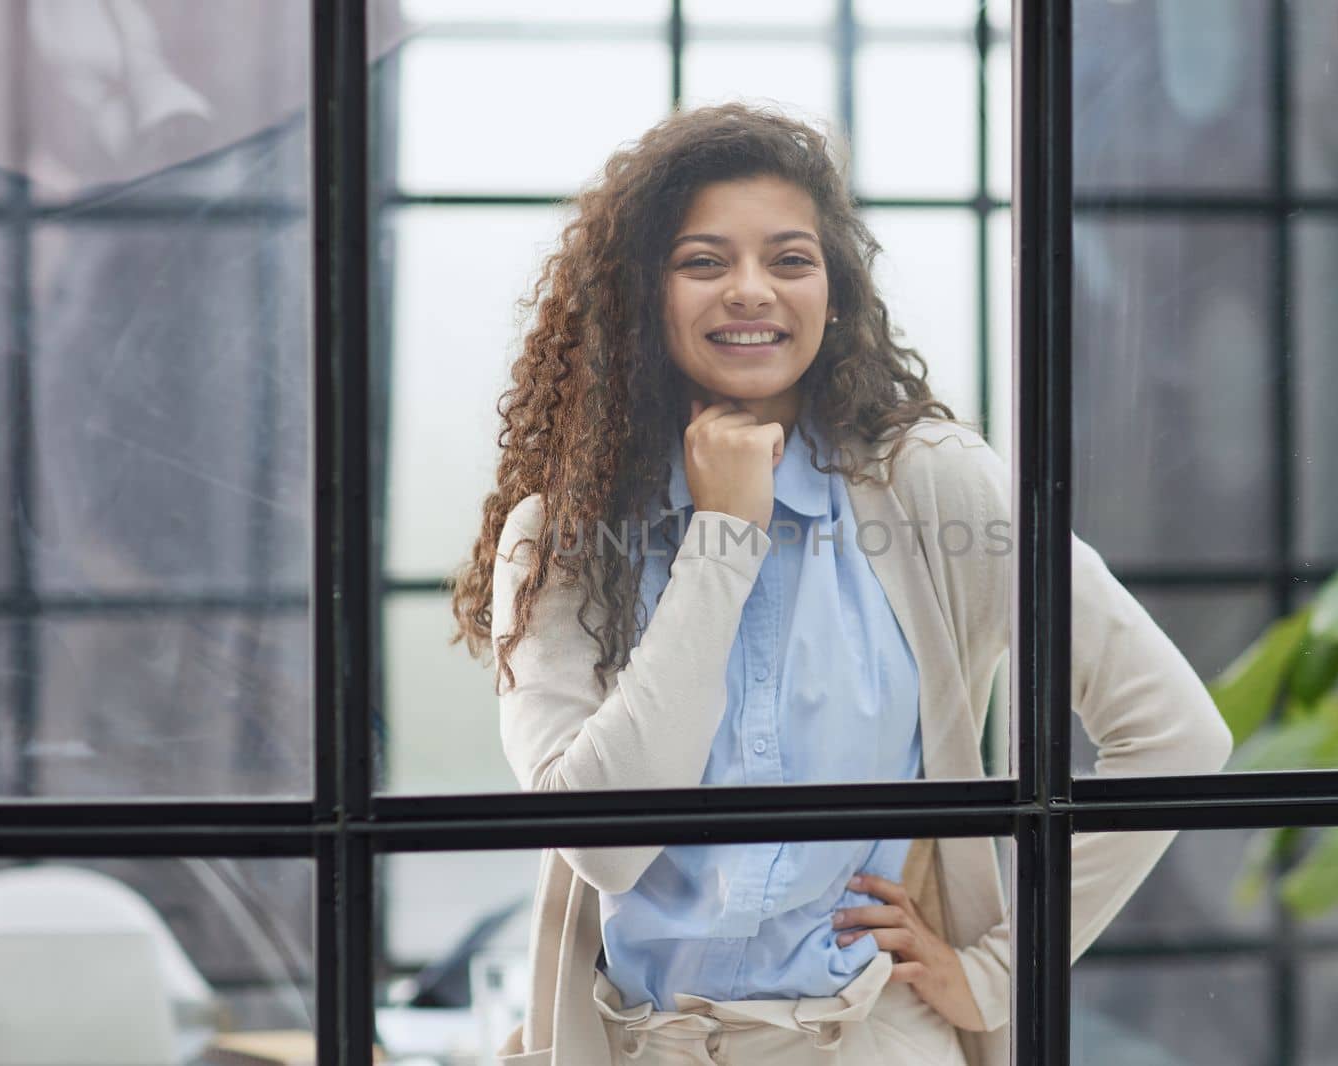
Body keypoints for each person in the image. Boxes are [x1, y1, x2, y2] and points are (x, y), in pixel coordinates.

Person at [448, 102, 1234, 1066]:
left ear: (834, 291)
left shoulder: (932, 484)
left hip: (869, 1042)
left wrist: (995, 968)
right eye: (703, 261)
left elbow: (1174, 733)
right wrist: (725, 537)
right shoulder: (560, 535)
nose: (751, 291)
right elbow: (605, 845)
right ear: (637, 293)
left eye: (790, 259)